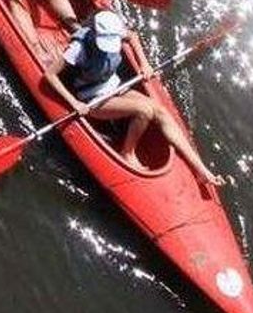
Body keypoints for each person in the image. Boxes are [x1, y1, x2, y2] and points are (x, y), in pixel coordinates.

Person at [43, 10, 226, 186]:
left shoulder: (113, 31)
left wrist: (143, 63)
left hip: (114, 86)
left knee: (159, 110)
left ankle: (201, 170)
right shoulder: (79, 47)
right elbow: (50, 75)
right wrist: (73, 102)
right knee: (144, 110)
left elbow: (132, 36)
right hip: (91, 98)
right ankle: (127, 153)